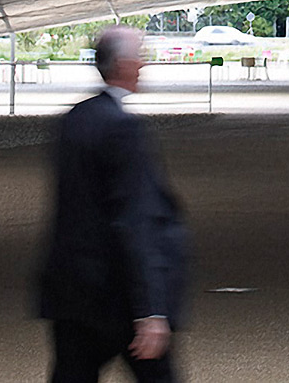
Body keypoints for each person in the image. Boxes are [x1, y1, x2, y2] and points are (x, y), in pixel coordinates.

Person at [36, 26, 190, 383]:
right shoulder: (124, 129)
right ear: (123, 64)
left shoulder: (74, 120)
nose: (144, 65)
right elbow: (136, 221)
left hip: (73, 292)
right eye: (140, 56)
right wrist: (151, 310)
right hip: (118, 297)